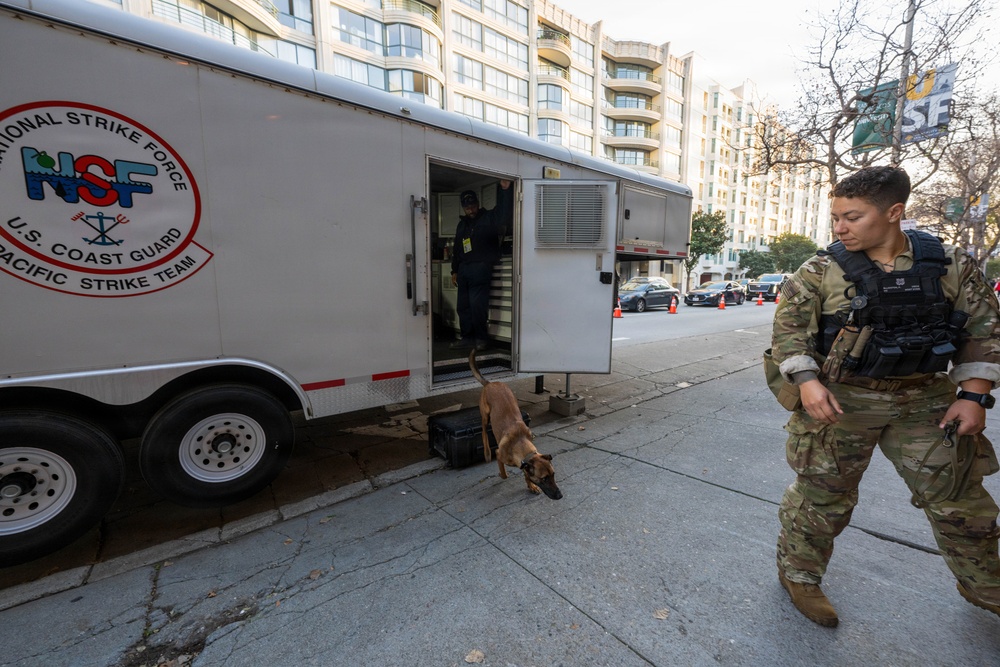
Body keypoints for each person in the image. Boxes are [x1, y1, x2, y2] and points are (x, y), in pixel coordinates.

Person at [771, 165, 1000, 627]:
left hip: (925, 399)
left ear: (894, 212)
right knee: (822, 496)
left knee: (959, 498)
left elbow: (983, 329)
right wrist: (807, 381)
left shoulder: (950, 264)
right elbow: (789, 332)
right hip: (843, 401)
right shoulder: (821, 269)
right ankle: (799, 575)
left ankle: (985, 584)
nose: (840, 227)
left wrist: (974, 396)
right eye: (836, 217)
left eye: (852, 217)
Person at [449, 180, 513, 351]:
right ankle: (467, 338)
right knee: (463, 307)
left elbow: (504, 212)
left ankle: (480, 339)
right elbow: (457, 248)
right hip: (464, 269)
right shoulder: (462, 225)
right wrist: (454, 270)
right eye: (467, 207)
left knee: (477, 306)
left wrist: (505, 190)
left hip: (480, 268)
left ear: (477, 203)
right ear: (463, 208)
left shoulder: (489, 218)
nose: (471, 209)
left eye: (473, 206)